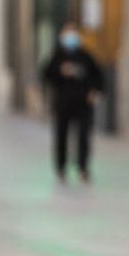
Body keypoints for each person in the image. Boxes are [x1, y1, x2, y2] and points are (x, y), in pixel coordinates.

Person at [41, 22, 104, 184]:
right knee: (61, 136)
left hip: (83, 104)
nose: (71, 38)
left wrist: (94, 92)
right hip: (63, 103)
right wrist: (61, 71)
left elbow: (99, 77)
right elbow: (46, 74)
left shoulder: (85, 56)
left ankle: (83, 168)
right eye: (68, 34)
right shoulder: (57, 56)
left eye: (74, 34)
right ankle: (61, 168)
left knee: (83, 136)